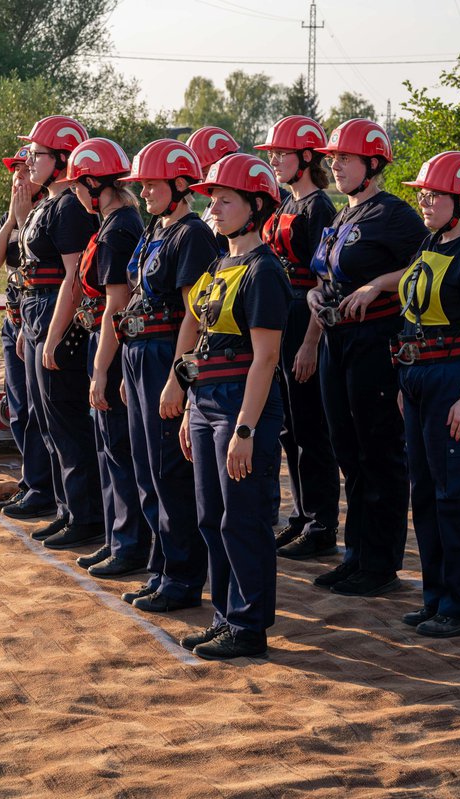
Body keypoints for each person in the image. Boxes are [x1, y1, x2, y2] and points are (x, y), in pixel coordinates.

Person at [177, 153, 292, 660]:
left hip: (242, 407)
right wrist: (187, 408)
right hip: (206, 403)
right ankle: (224, 616)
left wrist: (245, 430)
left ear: (255, 206)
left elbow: (266, 358)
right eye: (213, 199)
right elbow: (201, 337)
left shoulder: (265, 270)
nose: (215, 207)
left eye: (226, 199)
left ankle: (248, 627)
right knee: (210, 516)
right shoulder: (220, 261)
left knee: (242, 519)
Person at [308, 118, 426, 596]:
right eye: (333, 158)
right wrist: (316, 301)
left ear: (373, 164)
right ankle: (355, 552)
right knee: (347, 451)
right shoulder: (341, 215)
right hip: (337, 342)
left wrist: (378, 283)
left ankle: (380, 562)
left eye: (346, 158)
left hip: (375, 342)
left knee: (378, 450)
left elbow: (428, 265)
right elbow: (325, 275)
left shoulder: (395, 215)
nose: (334, 164)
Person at [392, 151, 460, 637]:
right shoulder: (432, 240)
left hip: (456, 380)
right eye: (422, 193)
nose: (424, 200)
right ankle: (436, 597)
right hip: (421, 381)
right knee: (426, 494)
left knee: (455, 497)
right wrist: (406, 384)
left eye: (433, 194)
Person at [117, 139, 219, 613]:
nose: (145, 192)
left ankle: (182, 577)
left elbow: (191, 315)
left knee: (170, 470)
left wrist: (177, 378)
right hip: (139, 353)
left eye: (153, 184)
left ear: (182, 185)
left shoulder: (192, 235)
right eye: (141, 185)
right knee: (146, 468)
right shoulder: (156, 229)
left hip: (165, 355)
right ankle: (161, 569)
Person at [11, 115, 104, 549]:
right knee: (48, 421)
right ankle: (67, 509)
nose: (29, 160)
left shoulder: (68, 207)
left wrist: (51, 333)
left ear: (64, 159)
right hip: (36, 312)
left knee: (66, 421)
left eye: (38, 154)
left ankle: (85, 516)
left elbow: (72, 278)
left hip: (54, 314)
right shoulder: (49, 202)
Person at [254, 115, 341, 560]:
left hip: (305, 323)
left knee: (312, 428)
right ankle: (302, 516)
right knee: (290, 428)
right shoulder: (285, 204)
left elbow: (323, 284)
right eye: (271, 154)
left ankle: (322, 524)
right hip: (283, 320)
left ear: (306, 157)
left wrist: (310, 342)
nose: (273, 160)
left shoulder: (319, 208)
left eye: (281, 153)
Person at [67, 137, 151, 577]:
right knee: (108, 446)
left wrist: (100, 370)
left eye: (79, 185)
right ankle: (118, 538)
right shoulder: (113, 223)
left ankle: (130, 544)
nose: (76, 194)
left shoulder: (119, 230)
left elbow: (116, 304)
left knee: (118, 447)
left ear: (94, 184)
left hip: (114, 345)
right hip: (109, 340)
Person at [0, 146, 48, 511]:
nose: (18, 176)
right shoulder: (14, 216)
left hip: (36, 323)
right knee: (20, 407)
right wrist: (10, 219)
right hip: (13, 323)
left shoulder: (44, 216)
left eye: (25, 169)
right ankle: (31, 481)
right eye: (15, 171)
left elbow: (36, 264)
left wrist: (23, 222)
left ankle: (42, 487)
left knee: (39, 409)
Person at [187, 126, 240, 253]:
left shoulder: (245, 206)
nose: (203, 181)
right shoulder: (211, 206)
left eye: (205, 173)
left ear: (226, 164)